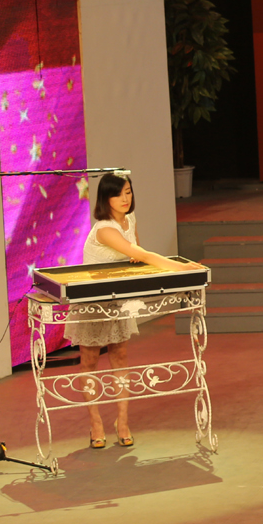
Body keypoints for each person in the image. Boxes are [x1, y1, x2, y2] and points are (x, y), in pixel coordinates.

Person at [65, 172, 201, 450]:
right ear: (106, 199)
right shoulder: (104, 229)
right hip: (92, 300)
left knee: (120, 356)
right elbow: (143, 254)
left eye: (128, 192)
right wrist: (182, 267)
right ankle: (95, 424)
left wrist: (141, 261)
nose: (125, 198)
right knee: (89, 361)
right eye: (118, 194)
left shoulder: (130, 219)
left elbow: (137, 254)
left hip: (118, 299)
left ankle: (123, 422)